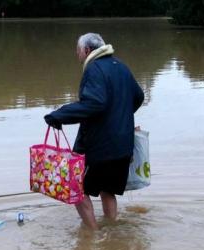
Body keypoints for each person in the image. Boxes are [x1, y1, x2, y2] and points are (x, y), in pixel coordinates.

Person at [44, 33, 144, 230]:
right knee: (108, 190)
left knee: (76, 189)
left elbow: (94, 104)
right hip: (123, 145)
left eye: (78, 51)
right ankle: (113, 232)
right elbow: (138, 96)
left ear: (87, 51)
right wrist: (120, 118)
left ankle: (93, 235)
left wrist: (59, 115)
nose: (77, 55)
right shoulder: (121, 66)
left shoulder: (94, 69)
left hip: (101, 147)